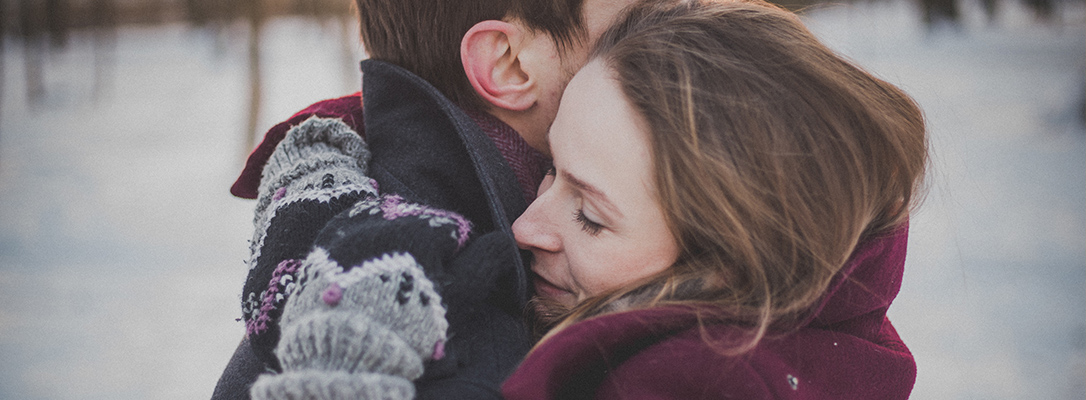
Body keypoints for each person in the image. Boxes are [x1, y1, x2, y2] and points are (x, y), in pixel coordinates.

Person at [211, 0, 642, 398]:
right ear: (508, 64)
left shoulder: (354, 232)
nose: (668, 37)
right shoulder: (469, 347)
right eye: (632, 26)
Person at [501, 0, 927, 398]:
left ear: (725, 262)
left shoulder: (677, 385)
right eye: (551, 167)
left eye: (590, 217)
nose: (524, 229)